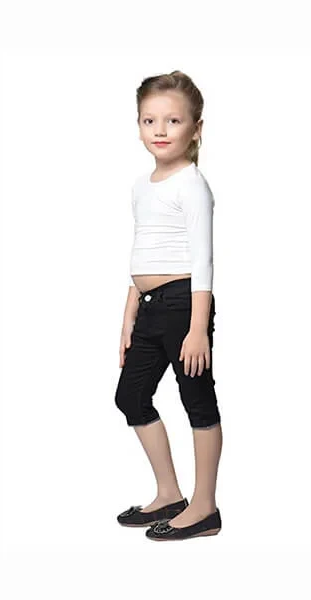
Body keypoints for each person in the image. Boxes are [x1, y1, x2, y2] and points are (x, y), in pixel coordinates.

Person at [114, 70, 222, 541]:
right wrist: (128, 317)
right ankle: (169, 494)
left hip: (183, 306)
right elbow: (142, 255)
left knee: (197, 400)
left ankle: (204, 508)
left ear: (195, 129)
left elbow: (203, 262)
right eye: (149, 120)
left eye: (173, 120)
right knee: (131, 396)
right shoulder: (142, 186)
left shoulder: (192, 185)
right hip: (149, 306)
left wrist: (198, 328)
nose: (160, 130)